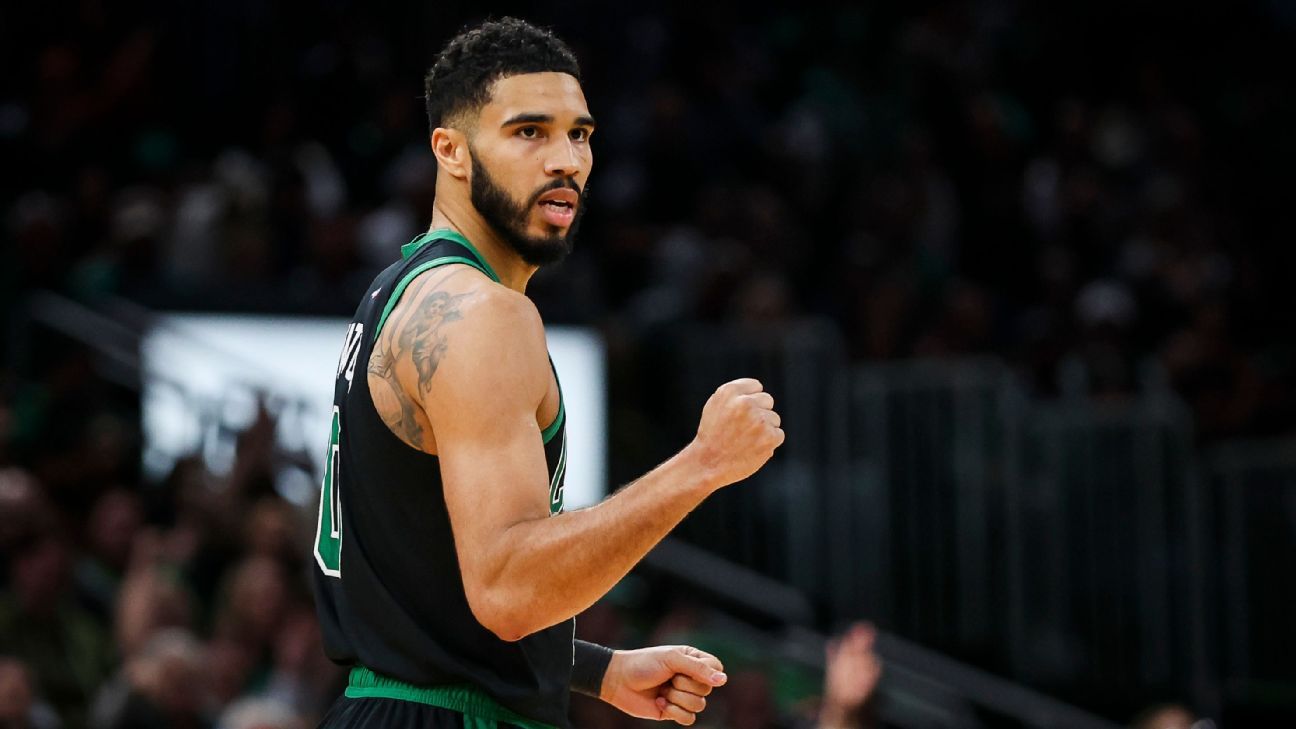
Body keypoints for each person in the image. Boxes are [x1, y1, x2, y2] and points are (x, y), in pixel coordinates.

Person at [310, 17, 784, 729]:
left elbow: (422, 588)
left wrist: (594, 669)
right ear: (451, 151)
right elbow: (506, 589)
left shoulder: (401, 290)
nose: (566, 160)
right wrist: (704, 464)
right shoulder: (483, 315)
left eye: (579, 135)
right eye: (529, 132)